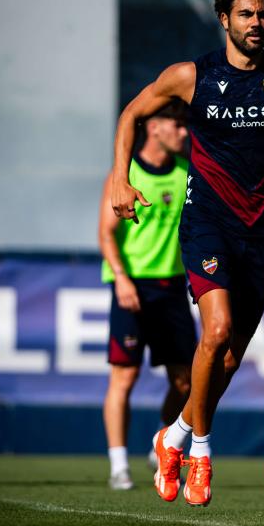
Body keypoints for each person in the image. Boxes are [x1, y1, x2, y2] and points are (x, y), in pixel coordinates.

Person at [111, 0, 264, 506]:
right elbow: (132, 113)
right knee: (217, 331)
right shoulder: (192, 76)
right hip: (208, 221)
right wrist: (122, 177)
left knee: (229, 358)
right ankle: (203, 453)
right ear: (225, 20)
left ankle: (176, 435)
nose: (256, 23)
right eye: (246, 15)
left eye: (263, 14)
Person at [99, 102, 196, 490]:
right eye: (177, 125)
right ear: (154, 127)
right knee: (124, 377)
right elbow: (106, 233)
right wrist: (121, 278)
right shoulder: (125, 175)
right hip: (132, 286)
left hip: (172, 287)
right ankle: (118, 465)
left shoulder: (186, 173)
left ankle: (162, 439)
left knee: (186, 381)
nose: (184, 133)